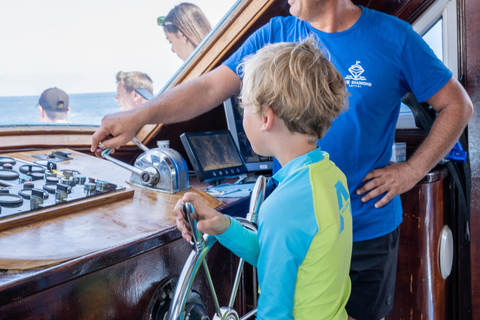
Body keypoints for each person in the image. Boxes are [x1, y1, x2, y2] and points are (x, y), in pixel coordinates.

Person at [92, 1, 473, 319]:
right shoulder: (277, 34)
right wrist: (141, 116)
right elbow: (209, 86)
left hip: (366, 232)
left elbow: (457, 104)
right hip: (302, 221)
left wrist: (411, 171)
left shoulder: (395, 38)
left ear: (265, 115)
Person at [175, 38, 352, 319]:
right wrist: (223, 226)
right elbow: (278, 255)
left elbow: (274, 312)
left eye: (244, 107)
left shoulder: (285, 207)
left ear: (266, 118)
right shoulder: (331, 176)